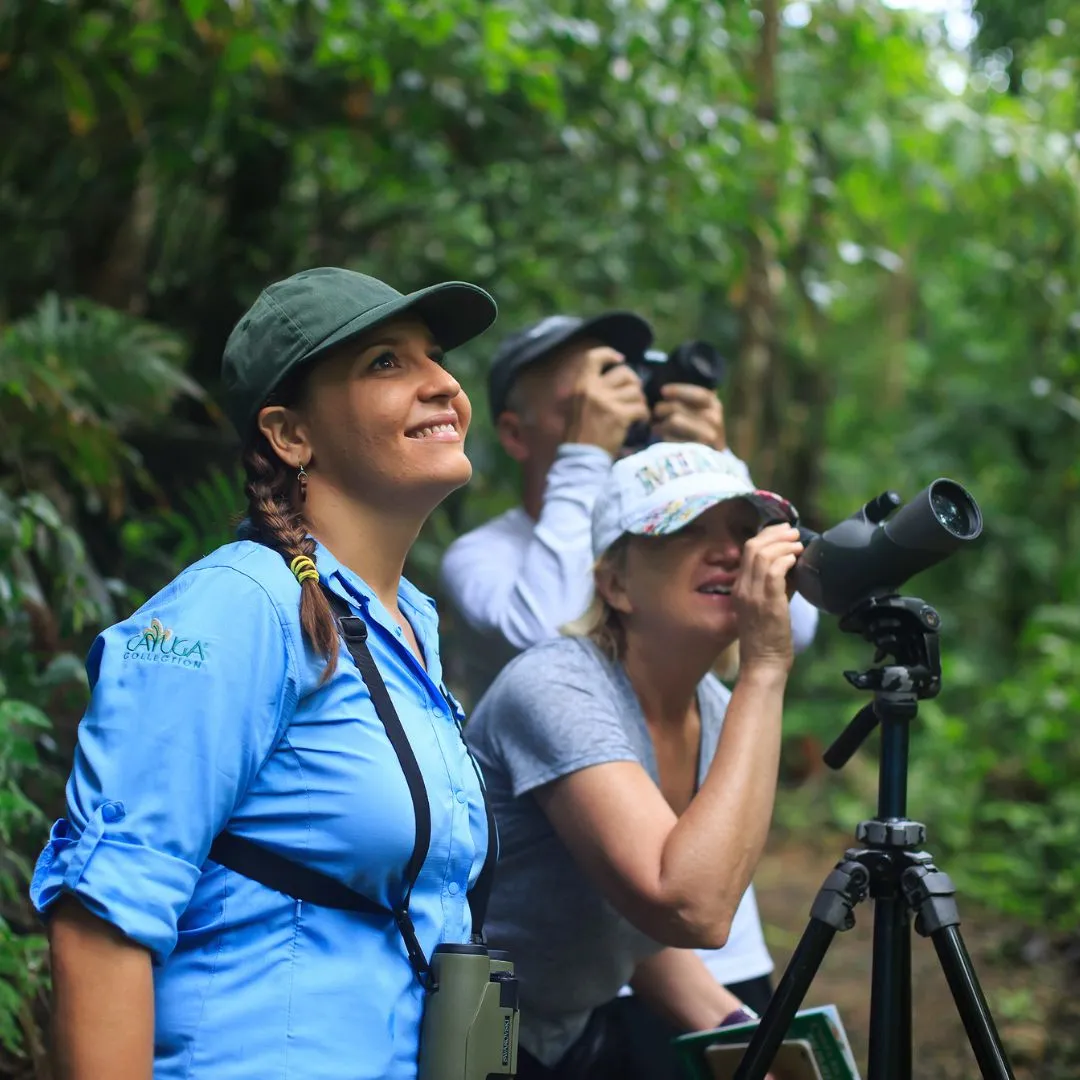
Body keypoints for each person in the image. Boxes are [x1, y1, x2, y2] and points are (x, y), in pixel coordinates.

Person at [29, 267, 500, 1080]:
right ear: (290, 435)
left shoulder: (407, 623)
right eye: (387, 363)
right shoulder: (235, 609)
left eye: (434, 358)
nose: (443, 385)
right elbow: (103, 918)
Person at [439, 313, 818, 1041]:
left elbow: (635, 932)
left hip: (566, 1019)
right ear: (611, 581)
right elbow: (690, 906)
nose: (729, 555)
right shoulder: (555, 682)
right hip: (468, 1029)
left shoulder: (707, 703)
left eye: (742, 533)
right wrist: (764, 673)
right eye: (684, 530)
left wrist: (751, 1039)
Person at [439, 312, 819, 707]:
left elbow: (796, 624)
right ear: (515, 434)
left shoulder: (661, 547)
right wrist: (585, 455)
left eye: (624, 392)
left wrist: (718, 465)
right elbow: (552, 647)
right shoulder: (478, 557)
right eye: (583, 406)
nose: (618, 415)